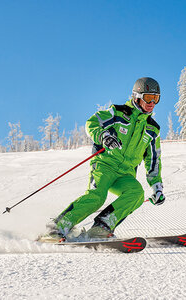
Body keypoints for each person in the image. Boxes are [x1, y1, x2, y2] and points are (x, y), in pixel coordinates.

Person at [46, 77, 165, 240]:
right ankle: (57, 228)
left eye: (156, 98)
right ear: (137, 97)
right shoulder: (117, 113)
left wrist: (156, 186)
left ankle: (101, 227)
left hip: (125, 174)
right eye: (148, 97)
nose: (152, 103)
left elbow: (153, 160)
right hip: (104, 165)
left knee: (136, 193)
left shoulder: (152, 129)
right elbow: (92, 123)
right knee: (97, 197)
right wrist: (103, 136)